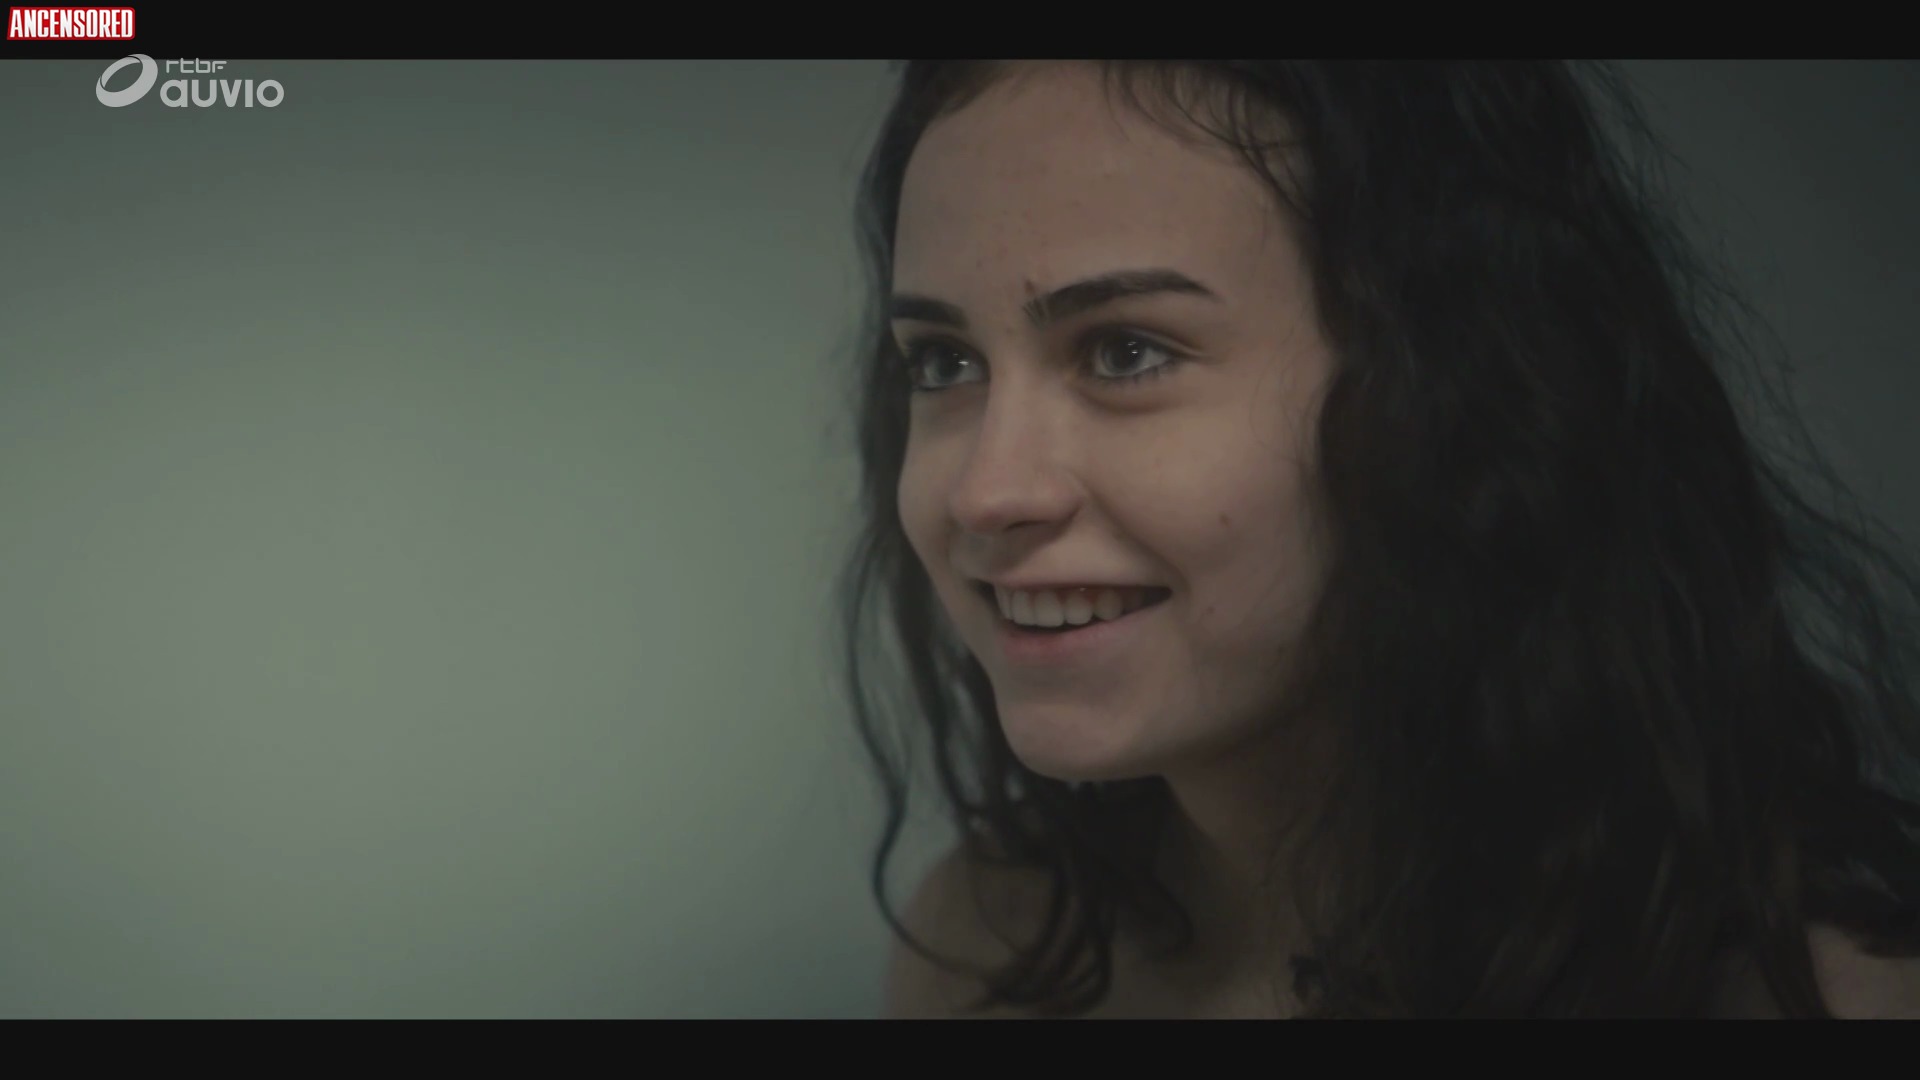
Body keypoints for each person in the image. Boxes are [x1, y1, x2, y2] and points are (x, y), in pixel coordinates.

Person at [833, 60, 1920, 1018]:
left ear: (1456, 395)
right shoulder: (982, 954)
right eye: (944, 363)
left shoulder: (1820, 1003)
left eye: (1126, 352)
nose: (985, 492)